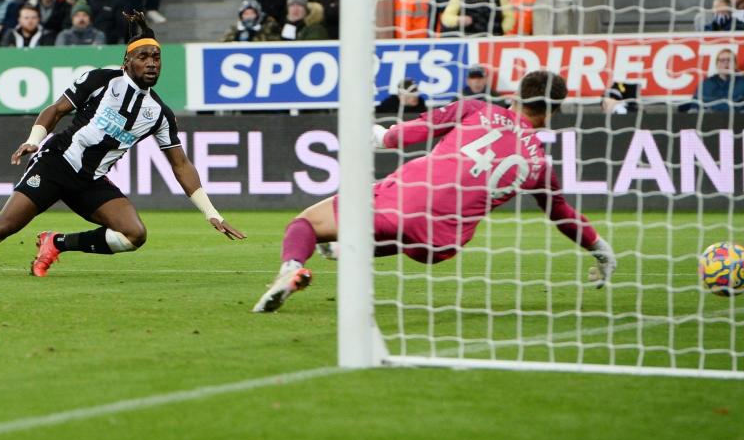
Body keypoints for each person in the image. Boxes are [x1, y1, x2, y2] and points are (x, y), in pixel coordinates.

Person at [0, 11, 246, 277]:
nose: (152, 63)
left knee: (134, 235)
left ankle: (56, 243)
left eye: (156, 58)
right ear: (127, 61)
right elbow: (55, 110)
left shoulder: (159, 113)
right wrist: (33, 140)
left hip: (90, 181)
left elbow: (181, 165)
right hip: (56, 163)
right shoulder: (102, 79)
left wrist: (211, 213)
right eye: (143, 57)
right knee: (2, 229)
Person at [252, 71, 618, 312]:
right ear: (552, 112)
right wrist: (601, 251)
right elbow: (563, 216)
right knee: (401, 231)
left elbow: (415, 130)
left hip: (409, 194)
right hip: (443, 242)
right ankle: (347, 248)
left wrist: (380, 136)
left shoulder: (477, 108)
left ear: (515, 94)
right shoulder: (539, 164)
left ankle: (290, 270)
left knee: (305, 224)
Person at [685, 48, 744, 112]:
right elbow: (694, 108)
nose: (726, 63)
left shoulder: (742, 83)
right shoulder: (706, 85)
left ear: (735, 64)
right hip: (710, 120)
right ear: (717, 64)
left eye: (729, 60)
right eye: (722, 60)